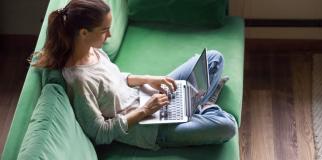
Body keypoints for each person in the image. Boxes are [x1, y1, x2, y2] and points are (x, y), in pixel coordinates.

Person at [32, 0, 237, 150]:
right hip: (149, 129)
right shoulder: (78, 81)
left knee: (214, 58)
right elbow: (100, 133)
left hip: (149, 96)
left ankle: (194, 104)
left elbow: (115, 78)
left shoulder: (92, 50)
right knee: (227, 126)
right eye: (104, 30)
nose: (109, 35)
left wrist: (150, 80)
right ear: (84, 33)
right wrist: (146, 110)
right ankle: (202, 104)